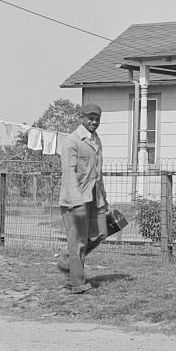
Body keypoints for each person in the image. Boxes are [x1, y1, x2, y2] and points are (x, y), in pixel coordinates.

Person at [57, 103, 108, 293]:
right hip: (75, 199)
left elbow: (98, 173)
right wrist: (76, 201)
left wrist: (104, 198)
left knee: (101, 232)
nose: (94, 122)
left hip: (94, 197)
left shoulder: (96, 140)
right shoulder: (72, 141)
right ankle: (78, 283)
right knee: (77, 241)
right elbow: (68, 173)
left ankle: (67, 261)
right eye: (91, 118)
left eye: (97, 119)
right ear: (82, 118)